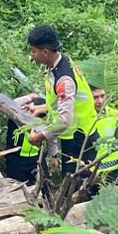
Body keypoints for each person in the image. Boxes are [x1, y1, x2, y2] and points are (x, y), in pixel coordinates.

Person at [15, 26, 98, 180]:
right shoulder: (59, 65)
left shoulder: (63, 78)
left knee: (77, 187)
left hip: (81, 140)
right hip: (76, 135)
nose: (31, 55)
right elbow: (64, 101)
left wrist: (40, 137)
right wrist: (42, 107)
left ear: (45, 52)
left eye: (34, 51)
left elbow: (65, 121)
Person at [90, 83, 118, 185]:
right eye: (95, 97)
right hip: (90, 174)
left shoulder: (115, 115)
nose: (100, 101)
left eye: (102, 96)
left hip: (113, 172)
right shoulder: (83, 118)